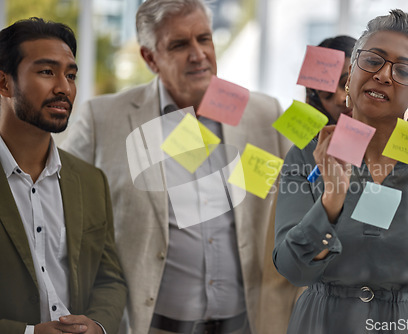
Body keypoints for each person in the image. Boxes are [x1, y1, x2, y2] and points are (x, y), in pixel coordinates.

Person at [61, 0, 290, 333]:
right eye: (180, 44)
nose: (198, 54)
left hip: (247, 323)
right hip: (150, 325)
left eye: (204, 39)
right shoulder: (103, 119)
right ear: (150, 58)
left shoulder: (263, 114)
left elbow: (295, 203)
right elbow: (57, 206)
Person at [273, 9, 408, 334]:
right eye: (373, 60)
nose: (384, 75)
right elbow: (293, 270)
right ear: (351, 75)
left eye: (403, 70)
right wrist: (331, 201)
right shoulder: (308, 154)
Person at [0, 18, 127, 334]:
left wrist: (97, 325)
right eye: (47, 72)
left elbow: (109, 278)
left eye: (70, 75)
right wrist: (29, 333)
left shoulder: (90, 180)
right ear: (3, 83)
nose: (64, 87)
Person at [256, 35, 356, 334]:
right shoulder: (301, 155)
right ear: (314, 97)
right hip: (316, 310)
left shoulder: (398, 151)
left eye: (348, 82)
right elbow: (280, 272)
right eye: (328, 92)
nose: (341, 98)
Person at [305, 36, 356, 125]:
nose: (340, 99)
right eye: (327, 95)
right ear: (319, 106)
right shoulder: (321, 138)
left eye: (347, 83)